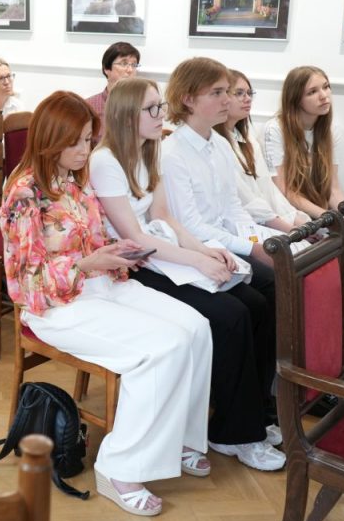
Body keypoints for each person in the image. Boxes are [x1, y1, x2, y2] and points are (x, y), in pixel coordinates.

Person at [0, 90, 213, 516]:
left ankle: (179, 438)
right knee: (163, 347)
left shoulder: (73, 182)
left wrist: (116, 253)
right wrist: (86, 264)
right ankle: (119, 467)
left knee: (196, 327)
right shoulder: (24, 194)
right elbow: (26, 284)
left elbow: (93, 241)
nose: (85, 150)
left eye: (88, 139)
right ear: (50, 139)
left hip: (100, 286)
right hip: (55, 308)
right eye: (76, 142)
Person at [90, 77, 284, 470]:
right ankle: (235, 433)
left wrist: (204, 250)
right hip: (135, 265)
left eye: (160, 106)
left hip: (162, 252)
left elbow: (164, 217)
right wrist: (195, 261)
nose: (161, 115)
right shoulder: (105, 160)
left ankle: (243, 414)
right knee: (231, 315)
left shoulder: (151, 148)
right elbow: (135, 235)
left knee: (256, 303)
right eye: (152, 108)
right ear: (126, 116)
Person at [159, 57, 280, 424]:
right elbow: (192, 226)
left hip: (224, 242)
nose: (228, 100)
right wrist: (250, 249)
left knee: (275, 285)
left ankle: (263, 397)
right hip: (195, 248)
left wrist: (260, 242)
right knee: (260, 295)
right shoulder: (172, 154)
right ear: (188, 99)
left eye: (227, 91)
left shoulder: (221, 146)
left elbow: (233, 210)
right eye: (217, 92)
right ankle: (245, 403)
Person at [215, 69, 310, 231]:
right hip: (243, 225)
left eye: (249, 93)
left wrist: (297, 220)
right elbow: (248, 202)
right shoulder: (217, 144)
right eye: (239, 93)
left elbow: (269, 190)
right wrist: (290, 229)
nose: (247, 99)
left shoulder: (249, 140)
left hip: (268, 220)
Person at [262, 65, 344, 218]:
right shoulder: (274, 130)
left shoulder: (332, 129)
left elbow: (332, 189)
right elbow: (284, 191)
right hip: (287, 215)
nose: (324, 96)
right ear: (295, 99)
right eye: (312, 92)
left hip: (318, 213)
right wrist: (328, 217)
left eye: (326, 87)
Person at [84, 42, 140, 130]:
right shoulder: (88, 108)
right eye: (123, 63)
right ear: (107, 69)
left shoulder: (143, 105)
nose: (130, 70)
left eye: (134, 65)